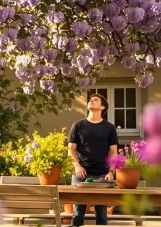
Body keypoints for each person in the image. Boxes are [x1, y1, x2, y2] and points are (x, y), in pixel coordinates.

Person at [67, 93, 119, 226]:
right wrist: (77, 166)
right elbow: (70, 150)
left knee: (101, 214)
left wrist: (111, 171)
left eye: (95, 100)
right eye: (90, 99)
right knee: (78, 213)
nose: (91, 100)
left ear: (102, 107)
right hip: (80, 174)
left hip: (102, 174)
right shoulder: (78, 125)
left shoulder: (110, 128)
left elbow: (113, 152)